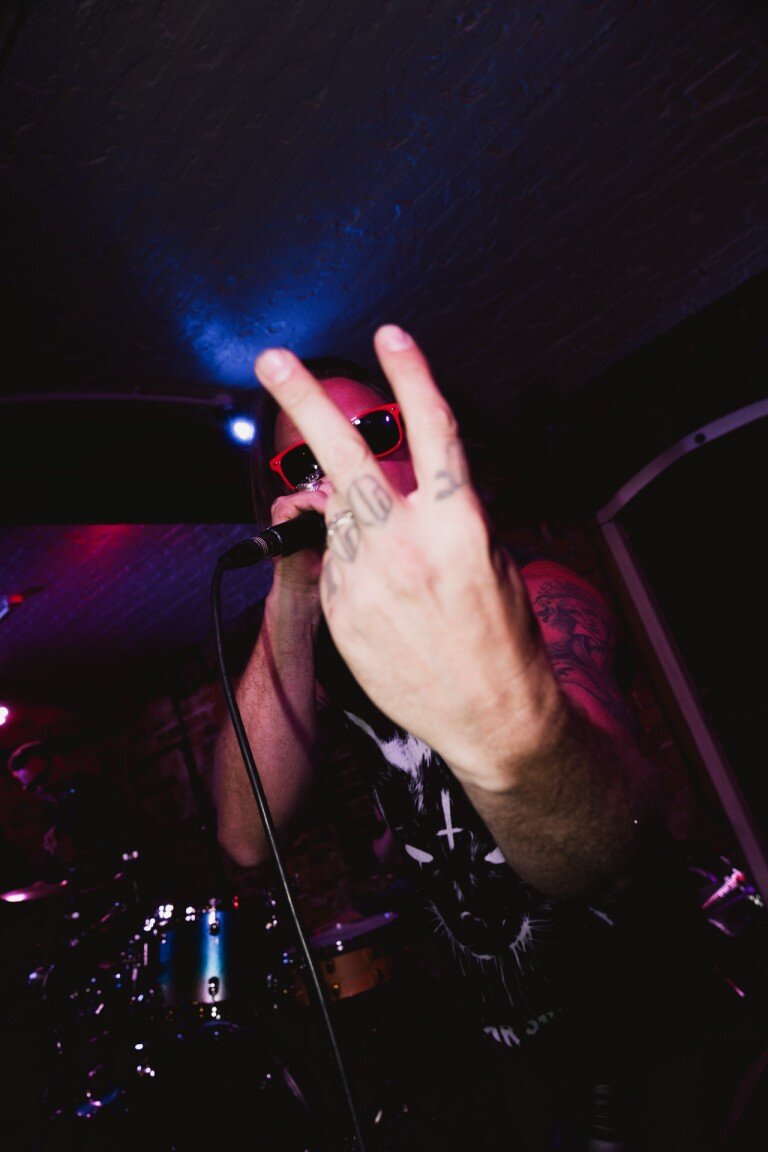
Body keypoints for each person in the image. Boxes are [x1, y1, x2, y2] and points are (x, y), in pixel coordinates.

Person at [213, 327, 758, 1150]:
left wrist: (504, 723)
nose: (351, 473)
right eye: (312, 463)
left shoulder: (539, 595)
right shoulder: (340, 654)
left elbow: (599, 851)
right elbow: (245, 835)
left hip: (652, 1020)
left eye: (376, 434)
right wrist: (292, 597)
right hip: (506, 1041)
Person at [5, 737, 139, 890]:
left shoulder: (99, 793)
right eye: (31, 787)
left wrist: (73, 857)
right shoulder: (54, 808)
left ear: (57, 762)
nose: (41, 789)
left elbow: (120, 856)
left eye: (42, 778)